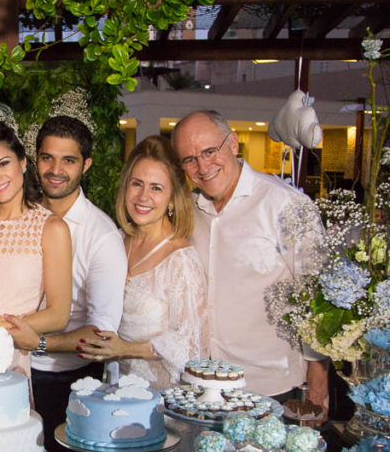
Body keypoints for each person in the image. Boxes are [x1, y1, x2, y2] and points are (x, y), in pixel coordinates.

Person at [171, 110, 329, 416]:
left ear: (232, 143)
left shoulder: (287, 205)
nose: (203, 166)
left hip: (271, 389)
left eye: (209, 151)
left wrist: (318, 379)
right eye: (189, 159)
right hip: (203, 389)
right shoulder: (188, 209)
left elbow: (318, 297)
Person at [5, 116, 127, 451]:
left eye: (68, 160)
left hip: (67, 381)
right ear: (34, 159)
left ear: (86, 165)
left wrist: (39, 343)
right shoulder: (16, 215)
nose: (56, 169)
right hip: (8, 369)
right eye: (48, 157)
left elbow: (102, 334)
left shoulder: (101, 236)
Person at [76, 136, 208, 389]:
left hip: (160, 398)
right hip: (114, 385)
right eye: (137, 184)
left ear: (172, 197)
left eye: (156, 188)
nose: (143, 196)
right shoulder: (115, 241)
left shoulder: (180, 259)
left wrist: (125, 348)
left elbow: (192, 346)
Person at [0, 121, 73, 380]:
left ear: (23, 162)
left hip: (8, 356)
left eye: (3, 163)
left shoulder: (51, 228)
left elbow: (58, 315)